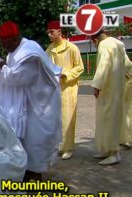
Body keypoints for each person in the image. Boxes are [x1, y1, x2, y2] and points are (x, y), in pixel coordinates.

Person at [0, 21, 62, 180]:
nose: (4, 48)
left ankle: (35, 175)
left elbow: (18, 78)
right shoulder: (15, 51)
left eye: (5, 44)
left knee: (35, 139)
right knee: (25, 138)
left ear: (14, 39)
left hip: (41, 104)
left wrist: (3, 68)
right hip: (29, 102)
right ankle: (26, 170)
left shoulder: (29, 53)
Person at [46, 20, 84, 160]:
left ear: (59, 32)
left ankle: (68, 147)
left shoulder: (71, 48)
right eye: (48, 33)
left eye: (52, 32)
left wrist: (66, 74)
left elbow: (80, 67)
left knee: (67, 118)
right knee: (56, 119)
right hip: (54, 89)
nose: (50, 35)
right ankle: (58, 145)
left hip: (68, 88)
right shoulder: (49, 49)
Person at [90, 30, 126, 165]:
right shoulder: (118, 43)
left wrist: (97, 85)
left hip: (107, 88)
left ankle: (114, 153)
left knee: (109, 120)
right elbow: (126, 63)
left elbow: (103, 66)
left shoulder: (104, 45)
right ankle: (106, 150)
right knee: (109, 119)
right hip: (116, 87)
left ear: (95, 40)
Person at [121, 55, 132, 148]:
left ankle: (128, 139)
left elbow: (127, 67)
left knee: (128, 113)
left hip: (128, 86)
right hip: (126, 86)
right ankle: (124, 138)